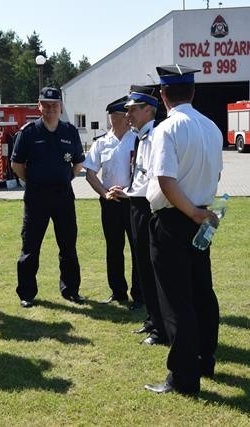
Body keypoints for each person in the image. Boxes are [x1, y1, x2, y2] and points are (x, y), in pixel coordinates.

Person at [144, 64, 223, 395]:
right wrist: (198, 212)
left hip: (178, 217)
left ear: (163, 95)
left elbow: (165, 179)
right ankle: (205, 359)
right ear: (192, 92)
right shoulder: (212, 127)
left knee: (177, 301)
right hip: (200, 215)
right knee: (201, 292)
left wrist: (189, 211)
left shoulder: (167, 129)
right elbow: (216, 177)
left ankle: (184, 377)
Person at [11, 87, 85, 308]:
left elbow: (78, 163)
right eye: (47, 105)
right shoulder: (29, 132)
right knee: (30, 246)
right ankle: (26, 293)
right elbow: (16, 165)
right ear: (39, 106)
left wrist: (63, 179)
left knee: (68, 245)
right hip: (36, 197)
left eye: (55, 105)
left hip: (63, 196)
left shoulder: (70, 131)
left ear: (61, 106)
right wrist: (35, 181)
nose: (51, 109)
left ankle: (71, 290)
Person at [110, 85, 168, 346]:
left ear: (149, 110)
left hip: (147, 207)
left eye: (133, 109)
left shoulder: (156, 136)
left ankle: (160, 326)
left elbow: (156, 178)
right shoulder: (142, 136)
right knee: (143, 265)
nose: (128, 115)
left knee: (152, 268)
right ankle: (152, 319)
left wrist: (134, 194)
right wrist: (128, 191)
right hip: (135, 203)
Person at [83, 96, 140, 305]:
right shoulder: (101, 143)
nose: (126, 117)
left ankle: (139, 294)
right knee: (114, 248)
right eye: (117, 115)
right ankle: (118, 292)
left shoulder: (137, 140)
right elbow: (90, 174)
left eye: (117, 115)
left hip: (133, 201)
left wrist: (129, 191)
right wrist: (104, 193)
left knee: (137, 248)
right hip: (110, 202)